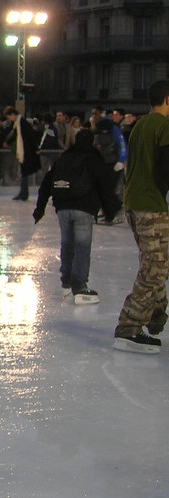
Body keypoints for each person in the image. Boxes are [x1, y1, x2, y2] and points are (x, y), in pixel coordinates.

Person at [111, 80, 169, 354]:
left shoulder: (141, 125)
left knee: (154, 263)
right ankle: (129, 328)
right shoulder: (164, 126)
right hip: (151, 205)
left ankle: (156, 316)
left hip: (134, 203)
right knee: (155, 267)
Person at [33, 128, 119, 303]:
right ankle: (79, 285)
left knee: (67, 243)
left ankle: (66, 281)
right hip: (84, 208)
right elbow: (105, 187)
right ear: (91, 142)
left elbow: (46, 183)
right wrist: (110, 211)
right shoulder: (94, 160)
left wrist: (39, 209)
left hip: (62, 208)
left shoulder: (63, 158)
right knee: (82, 246)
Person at [3, 105, 41, 201]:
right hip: (24, 151)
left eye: (9, 117)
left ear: (12, 114)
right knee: (24, 172)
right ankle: (23, 193)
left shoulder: (22, 123)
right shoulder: (18, 123)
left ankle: (24, 194)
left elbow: (30, 135)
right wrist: (7, 141)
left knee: (24, 172)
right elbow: (15, 133)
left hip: (27, 152)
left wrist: (36, 148)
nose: (9, 119)